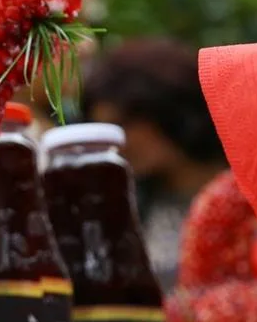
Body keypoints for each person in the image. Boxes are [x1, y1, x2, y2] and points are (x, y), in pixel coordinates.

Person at [80, 38, 228, 291]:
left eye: (124, 125)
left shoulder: (252, 190)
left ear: (165, 110)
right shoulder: (128, 208)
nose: (120, 143)